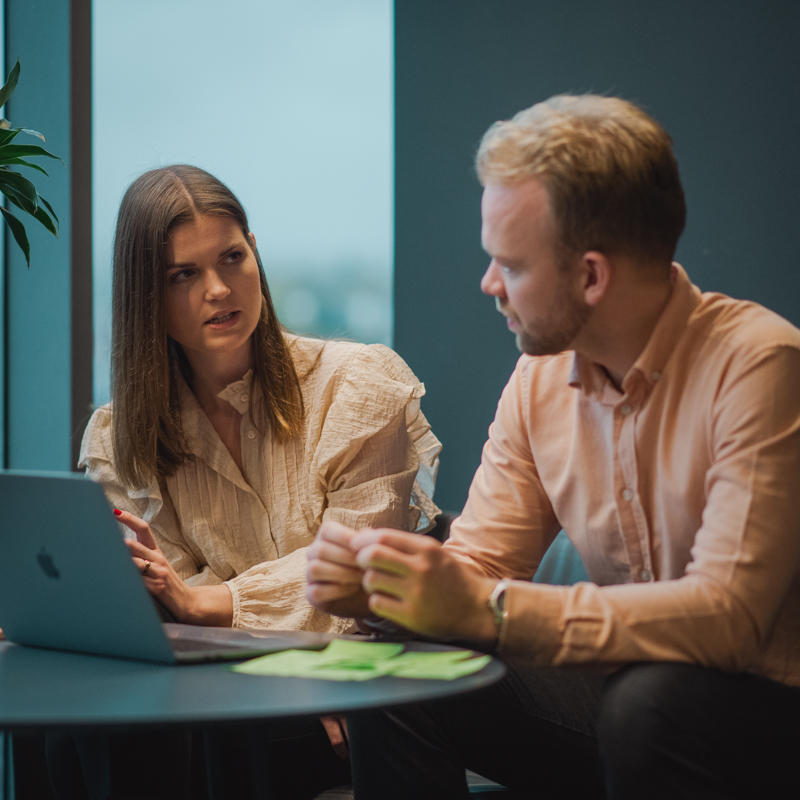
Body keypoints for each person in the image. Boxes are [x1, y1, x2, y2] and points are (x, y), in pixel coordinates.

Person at [306, 94, 800, 799]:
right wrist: (389, 590)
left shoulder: (760, 365)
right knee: (401, 664)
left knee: (653, 701)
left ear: (592, 275)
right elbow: (479, 564)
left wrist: (493, 611)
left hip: (765, 710)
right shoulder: (540, 379)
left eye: (510, 264)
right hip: (628, 699)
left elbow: (728, 622)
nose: (489, 285)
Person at [48, 164, 441, 800]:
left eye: (233, 257)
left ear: (255, 253)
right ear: (145, 292)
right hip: (224, 684)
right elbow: (166, 600)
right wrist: (222, 628)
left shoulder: (357, 385)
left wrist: (218, 604)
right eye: (184, 274)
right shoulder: (119, 434)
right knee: (92, 725)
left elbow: (355, 577)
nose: (219, 289)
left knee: (186, 734)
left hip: (345, 680)